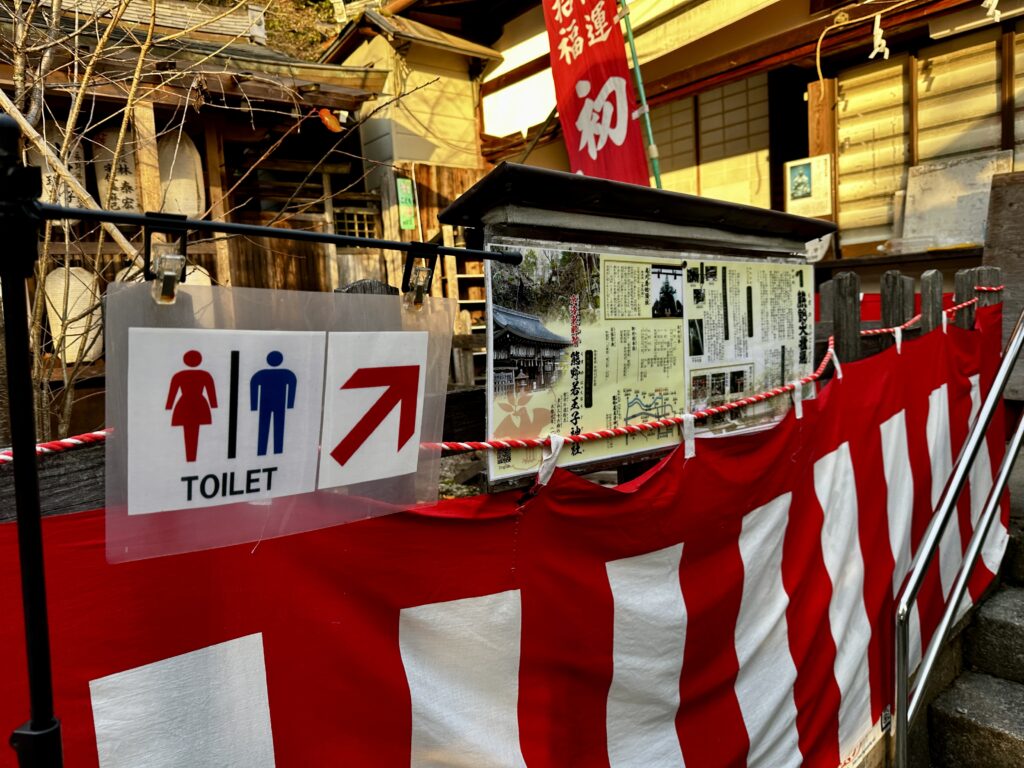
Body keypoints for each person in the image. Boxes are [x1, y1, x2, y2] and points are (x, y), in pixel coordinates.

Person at [166, 349, 217, 462]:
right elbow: (211, 393)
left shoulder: (179, 375)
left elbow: (172, 393)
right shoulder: (205, 375)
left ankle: (191, 458)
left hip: (184, 403)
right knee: (192, 431)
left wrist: (169, 406)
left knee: (189, 431)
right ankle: (191, 458)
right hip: (199, 403)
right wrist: (213, 405)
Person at [250, 350, 297, 456]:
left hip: (265, 404)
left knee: (265, 427)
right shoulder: (287, 373)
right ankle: (276, 450)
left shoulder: (261, 374)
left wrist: (254, 406)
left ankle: (262, 450)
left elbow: (253, 386)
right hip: (278, 404)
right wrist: (289, 404)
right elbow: (292, 386)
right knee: (278, 426)